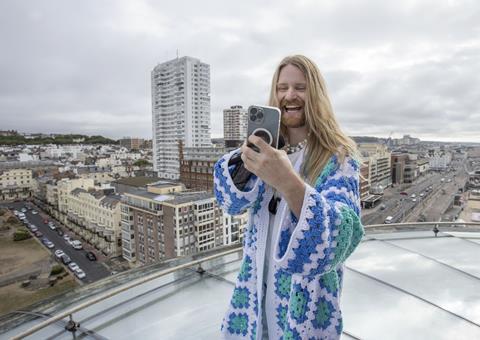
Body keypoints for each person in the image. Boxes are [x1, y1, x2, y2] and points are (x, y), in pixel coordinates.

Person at [214, 55, 364, 339]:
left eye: (300, 88)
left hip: (305, 310)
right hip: (255, 296)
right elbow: (229, 201)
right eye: (282, 87)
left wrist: (287, 181)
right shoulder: (266, 152)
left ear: (316, 94)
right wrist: (245, 162)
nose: (290, 95)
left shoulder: (339, 158)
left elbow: (342, 236)